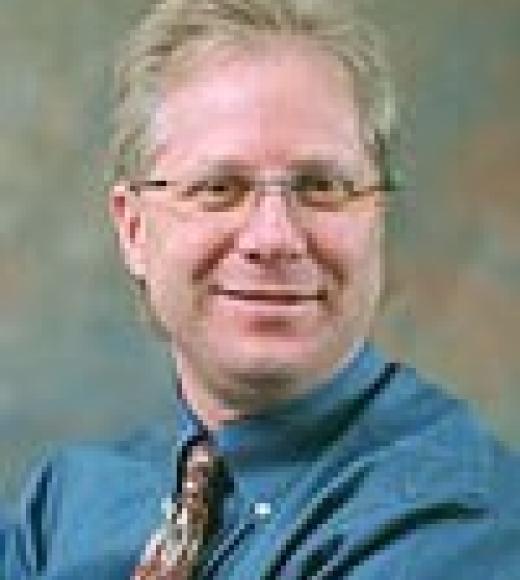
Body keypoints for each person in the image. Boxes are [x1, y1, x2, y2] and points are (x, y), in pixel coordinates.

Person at [2, 0, 519, 578]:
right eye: (219, 188)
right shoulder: (68, 505)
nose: (273, 238)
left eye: (321, 186)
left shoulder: (456, 523)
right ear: (133, 230)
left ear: (378, 219)